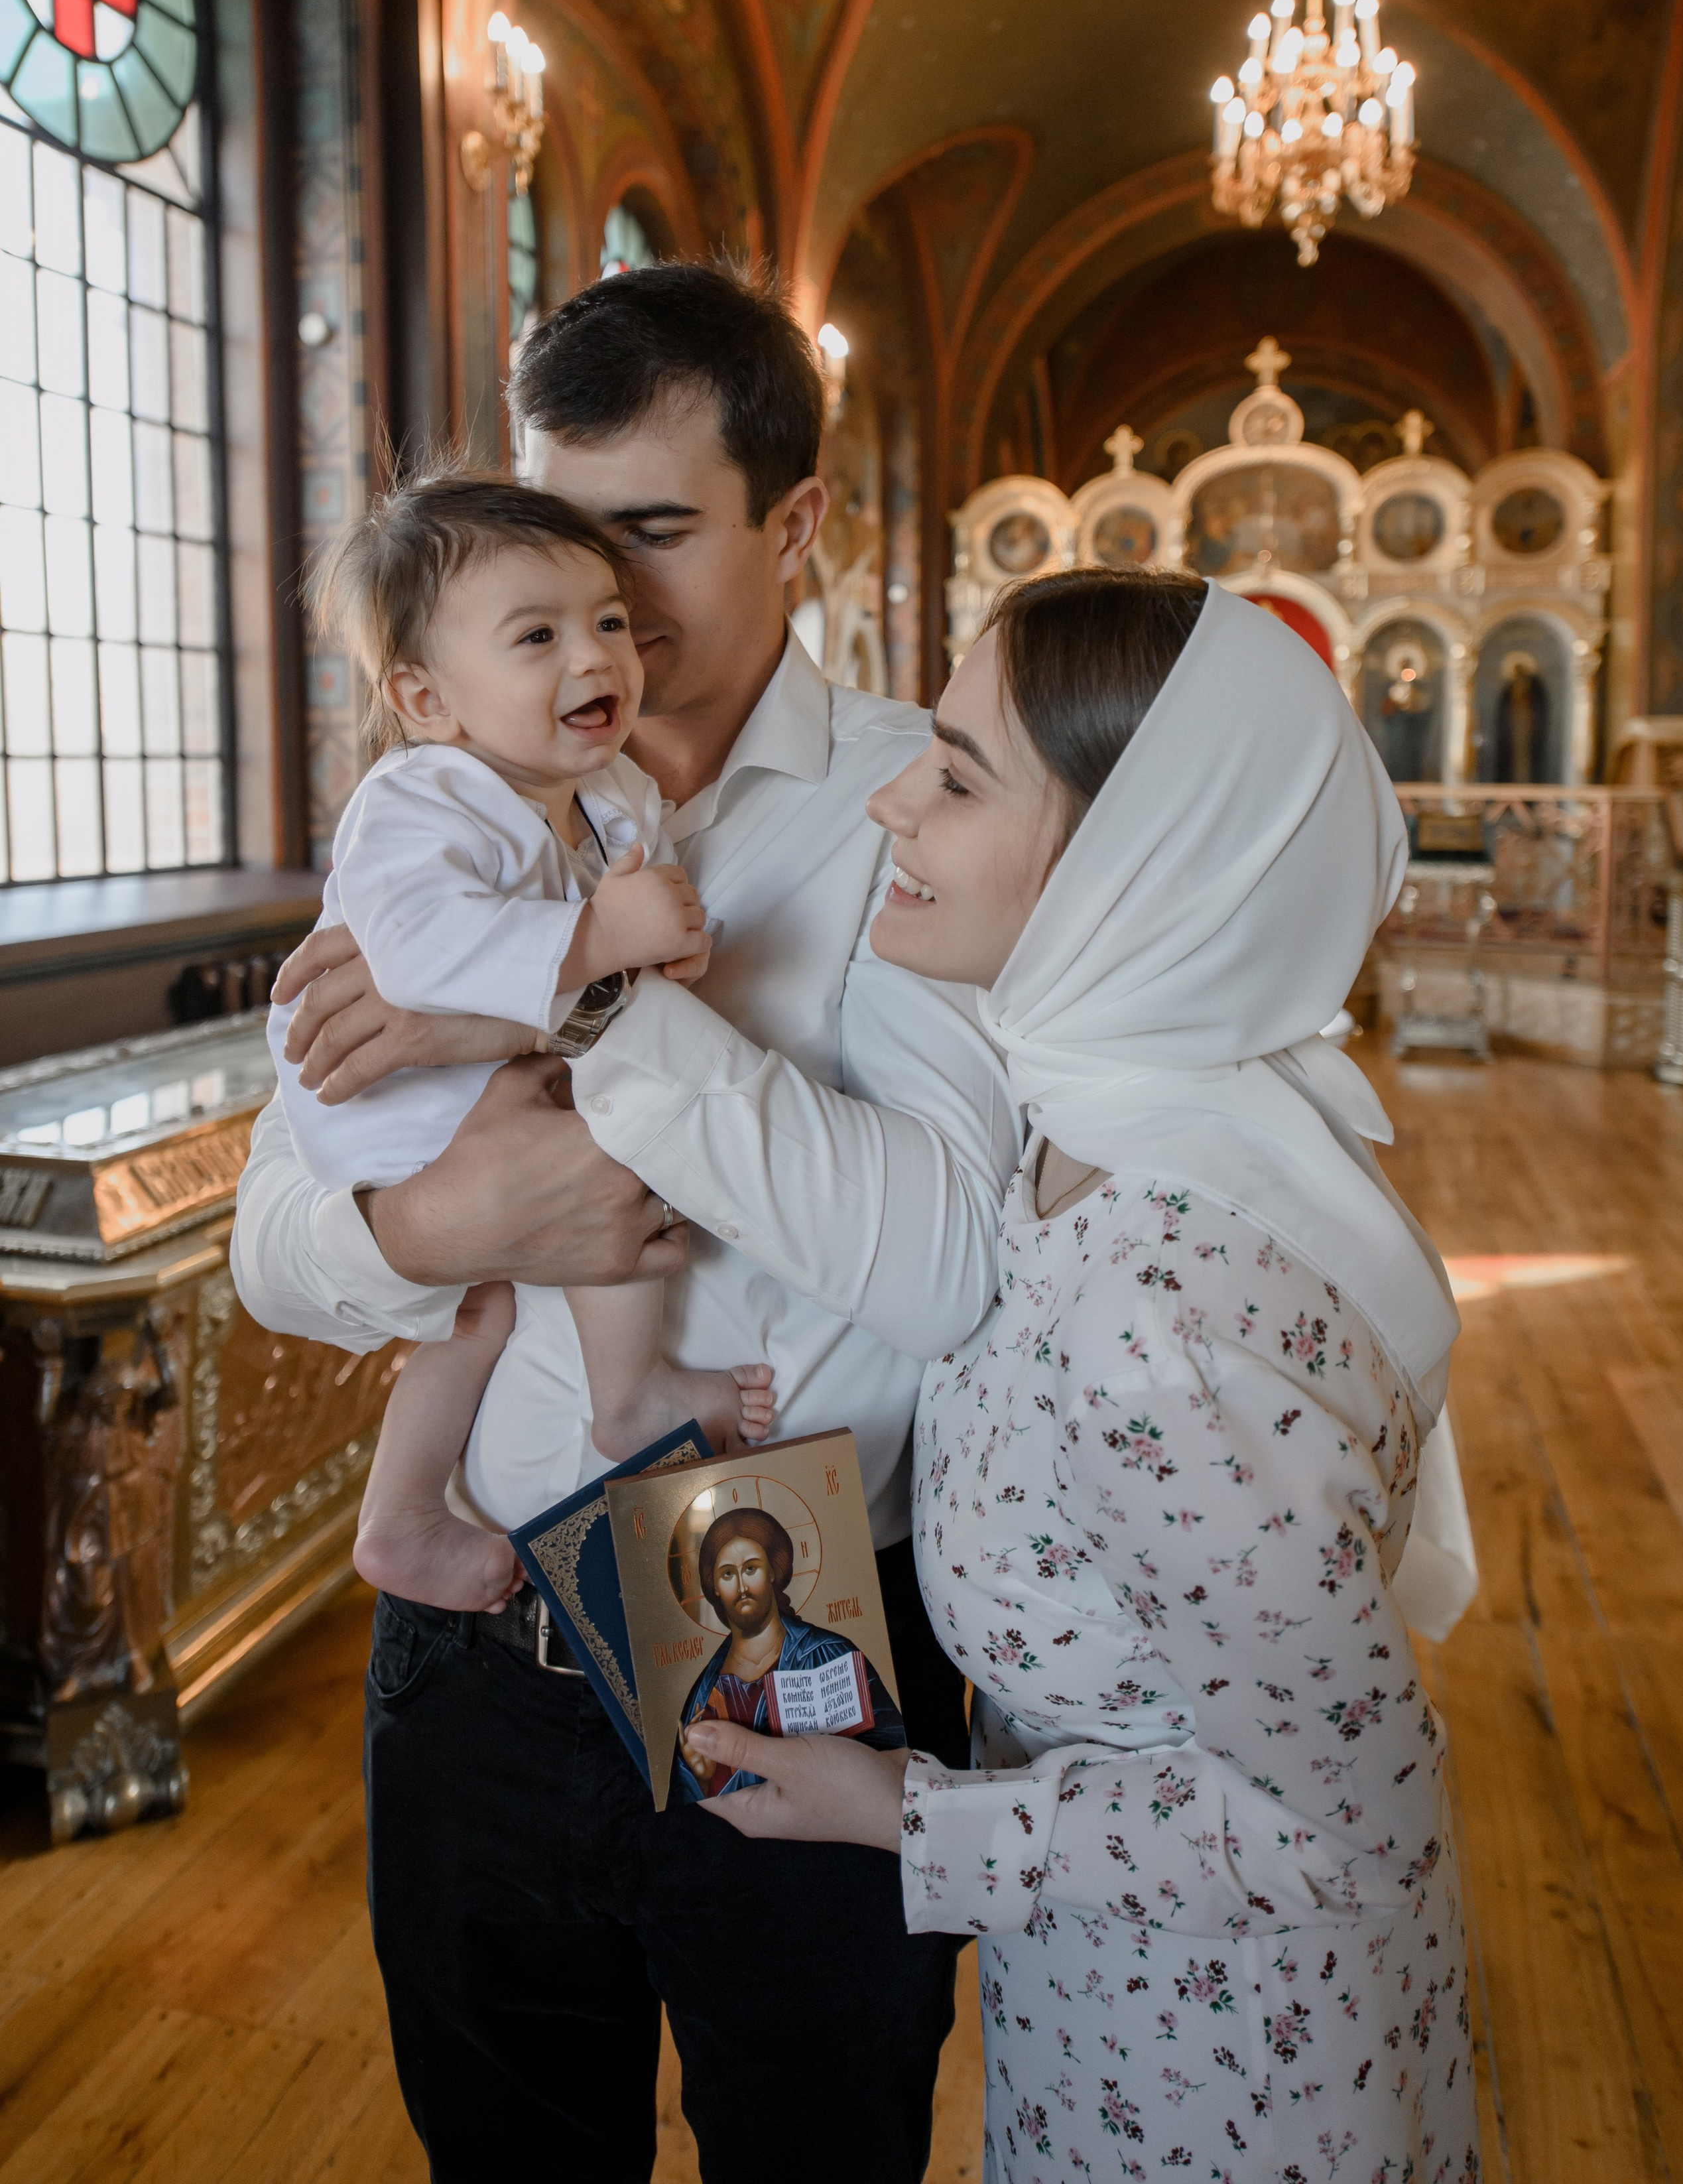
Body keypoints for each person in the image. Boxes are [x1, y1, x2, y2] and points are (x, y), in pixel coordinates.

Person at [231, 263, 1020, 2183]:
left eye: (653, 535)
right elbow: (279, 1239)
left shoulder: (927, 805)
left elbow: (946, 1260)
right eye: (565, 538)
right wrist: (431, 1221)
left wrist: (564, 997)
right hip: (477, 1641)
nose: (604, 609)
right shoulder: (448, 808)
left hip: (784, 1616)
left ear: (798, 521)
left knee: (813, 2154)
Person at [688, 571, 1482, 2184]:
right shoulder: (1098, 1111)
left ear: (1129, 859)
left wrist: (898, 1811)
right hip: (1122, 2000)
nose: (890, 795)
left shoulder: (1158, 1305)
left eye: (959, 773)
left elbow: (1336, 1825)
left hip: (1230, 2077)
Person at [270, 474, 773, 1618]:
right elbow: (412, 952)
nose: (595, 655)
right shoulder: (419, 799)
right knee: (617, 1141)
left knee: (480, 1310)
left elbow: (623, 950)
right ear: (426, 696)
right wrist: (603, 937)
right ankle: (631, 1392)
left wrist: (655, 948)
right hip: (388, 1103)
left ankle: (399, 1512)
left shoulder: (605, 790)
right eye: (536, 635)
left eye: (605, 619)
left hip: (467, 1084)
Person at [674, 1507, 903, 1804]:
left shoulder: (828, 1654)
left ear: (773, 1571)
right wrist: (702, 1781)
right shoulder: (704, 1690)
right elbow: (688, 1801)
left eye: (751, 1568)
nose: (742, 1587)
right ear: (715, 1587)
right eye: (728, 1574)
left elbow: (888, 1753)